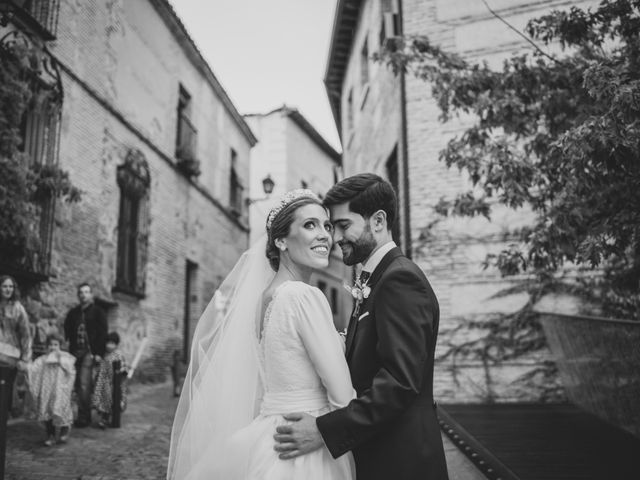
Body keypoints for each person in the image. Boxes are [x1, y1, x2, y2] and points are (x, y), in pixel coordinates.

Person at [167, 189, 355, 480]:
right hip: (307, 443)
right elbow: (343, 397)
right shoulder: (304, 296)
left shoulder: (264, 300)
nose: (325, 235)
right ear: (281, 241)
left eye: (326, 226)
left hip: (269, 435)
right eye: (310, 225)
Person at [274, 174, 450, 480]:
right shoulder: (376, 278)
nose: (335, 237)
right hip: (379, 454)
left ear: (378, 221)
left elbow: (400, 382)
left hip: (401, 462)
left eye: (343, 226)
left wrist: (324, 430)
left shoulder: (399, 280)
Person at [63, 282, 107, 427]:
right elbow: (67, 329)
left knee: (84, 384)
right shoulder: (73, 312)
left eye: (87, 292)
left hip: (90, 352)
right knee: (76, 384)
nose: (83, 295)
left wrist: (99, 353)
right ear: (78, 295)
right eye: (81, 292)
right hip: (75, 352)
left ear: (91, 294)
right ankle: (81, 413)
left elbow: (102, 333)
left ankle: (84, 417)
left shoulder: (98, 312)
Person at [25, 332, 76, 446]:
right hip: (47, 391)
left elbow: (71, 371)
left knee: (61, 409)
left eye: (55, 345)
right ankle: (51, 435)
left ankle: (64, 430)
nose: (53, 347)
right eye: (50, 345)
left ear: (60, 346)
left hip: (60, 390)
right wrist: (27, 367)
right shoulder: (42, 359)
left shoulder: (65, 358)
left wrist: (60, 359)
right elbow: (34, 370)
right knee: (48, 411)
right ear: (47, 346)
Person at [0, 275, 32, 414]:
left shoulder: (18, 308)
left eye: (10, 286)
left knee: (3, 395)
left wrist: (25, 358)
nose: (8, 289)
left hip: (9, 357)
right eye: (5, 286)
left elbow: (26, 334)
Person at [92, 331, 128, 429]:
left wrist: (119, 379)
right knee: (105, 401)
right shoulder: (105, 355)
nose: (109, 346)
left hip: (116, 383)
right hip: (106, 383)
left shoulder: (118, 355)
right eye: (108, 343)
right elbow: (101, 369)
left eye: (112, 343)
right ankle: (105, 419)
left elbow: (123, 370)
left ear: (116, 344)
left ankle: (112, 419)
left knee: (115, 401)